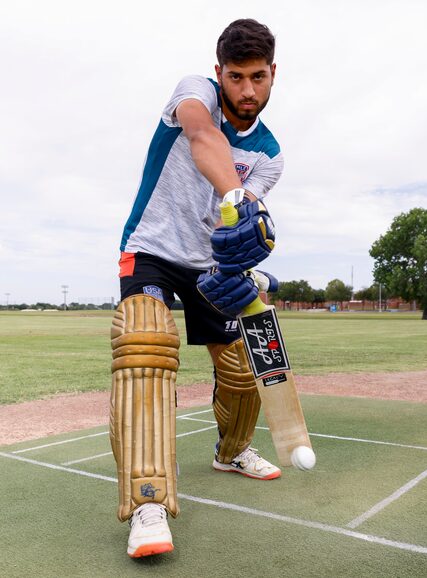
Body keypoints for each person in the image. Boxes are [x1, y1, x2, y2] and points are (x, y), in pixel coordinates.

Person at [110, 18, 284, 558]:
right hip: (152, 250)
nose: (247, 91)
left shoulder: (271, 155)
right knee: (144, 349)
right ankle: (148, 501)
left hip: (213, 265)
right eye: (236, 77)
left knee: (241, 369)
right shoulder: (195, 93)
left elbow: (245, 224)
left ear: (273, 74)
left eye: (258, 77)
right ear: (219, 73)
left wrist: (254, 259)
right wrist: (239, 199)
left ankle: (231, 451)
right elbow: (202, 136)